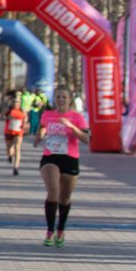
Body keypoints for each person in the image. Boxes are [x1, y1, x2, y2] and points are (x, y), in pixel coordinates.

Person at [35, 86, 90, 247]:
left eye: (64, 97)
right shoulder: (47, 115)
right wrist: (39, 136)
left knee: (64, 198)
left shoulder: (77, 117)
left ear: (70, 99)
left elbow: (87, 139)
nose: (60, 100)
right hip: (50, 157)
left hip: (70, 158)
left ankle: (60, 230)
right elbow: (43, 126)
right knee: (53, 193)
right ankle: (49, 231)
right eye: (58, 97)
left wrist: (71, 127)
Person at [0, 94, 27, 176]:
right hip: (8, 132)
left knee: (17, 148)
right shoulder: (7, 109)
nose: (16, 103)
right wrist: (7, 118)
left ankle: (16, 167)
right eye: (14, 102)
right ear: (11, 102)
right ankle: (10, 156)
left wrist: (25, 125)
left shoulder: (23, 110)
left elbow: (26, 121)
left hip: (18, 132)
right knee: (9, 149)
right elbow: (1, 118)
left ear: (20, 103)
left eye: (18, 102)